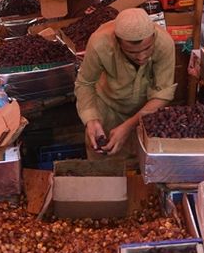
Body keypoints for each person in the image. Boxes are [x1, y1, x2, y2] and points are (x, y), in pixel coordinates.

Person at [74, 8, 176, 158]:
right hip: (108, 108)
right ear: (117, 41)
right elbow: (85, 83)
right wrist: (92, 119)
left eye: (147, 49)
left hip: (146, 110)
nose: (141, 57)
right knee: (104, 164)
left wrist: (129, 126)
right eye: (132, 52)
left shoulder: (165, 43)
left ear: (153, 36)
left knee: (141, 164)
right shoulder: (99, 43)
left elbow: (162, 94)